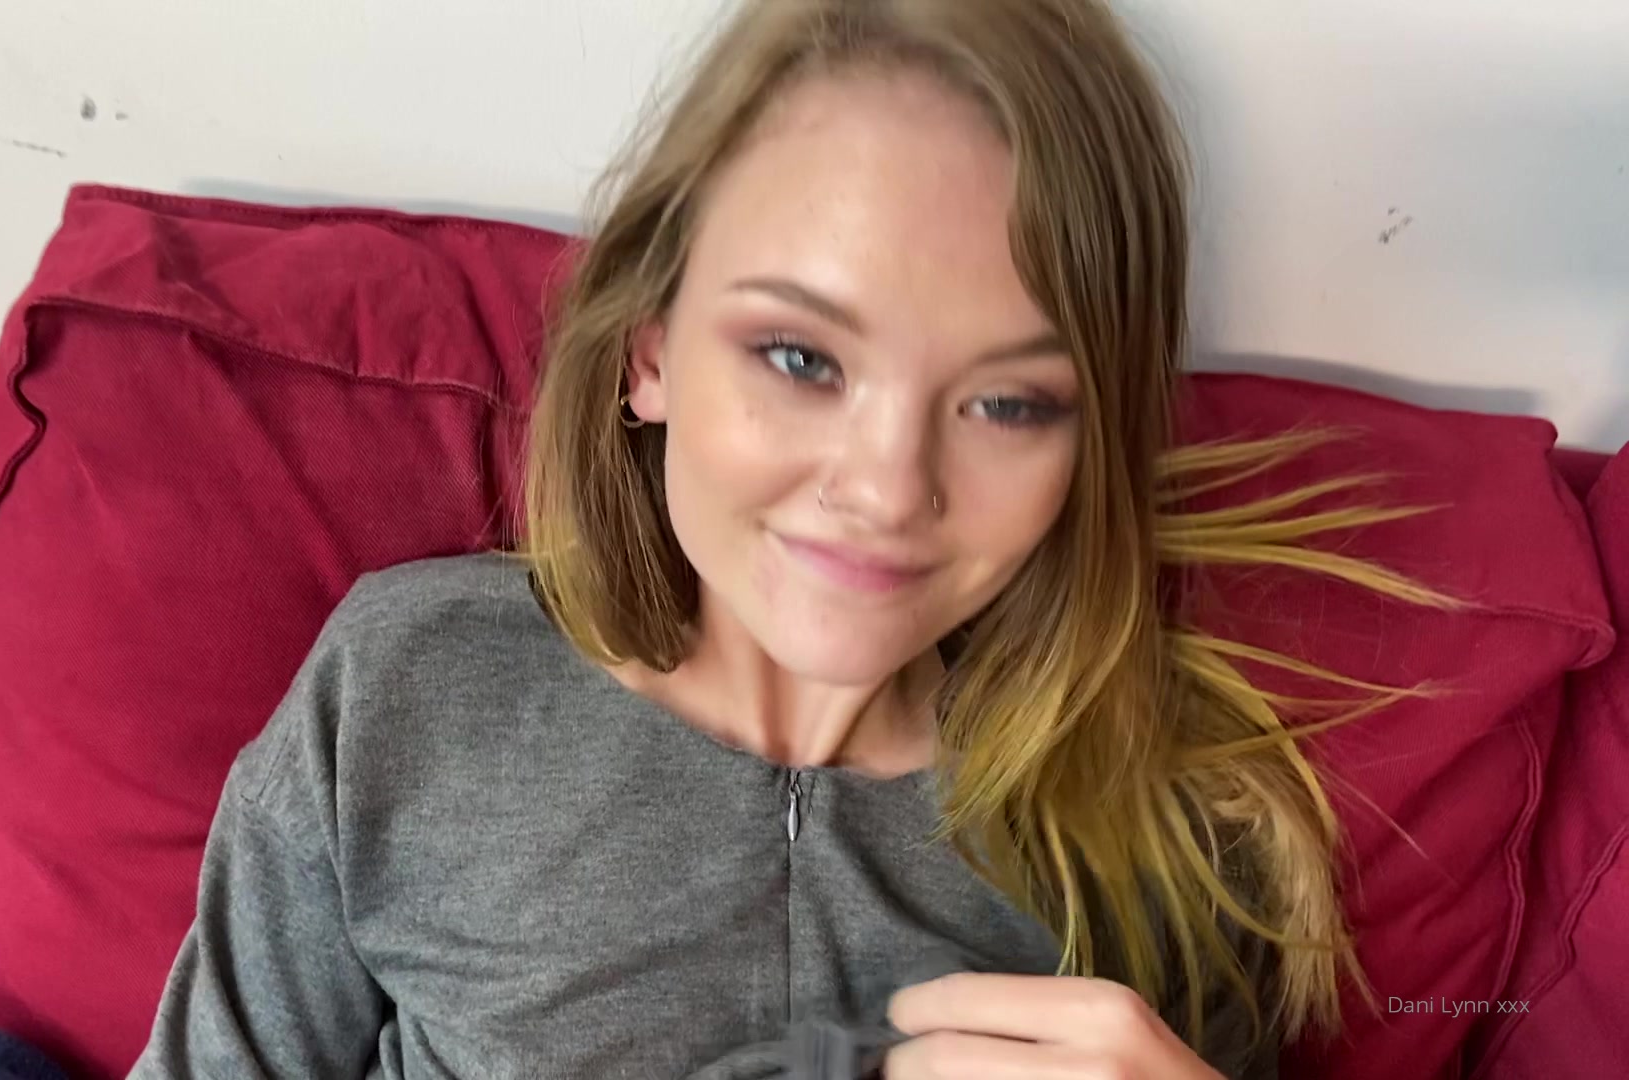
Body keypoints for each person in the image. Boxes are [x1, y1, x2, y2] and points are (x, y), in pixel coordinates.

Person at [127, 1, 1443, 1078]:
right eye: (801, 357)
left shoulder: (1173, 843)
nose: (887, 488)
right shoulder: (404, 693)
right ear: (650, 350)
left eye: (1008, 403)